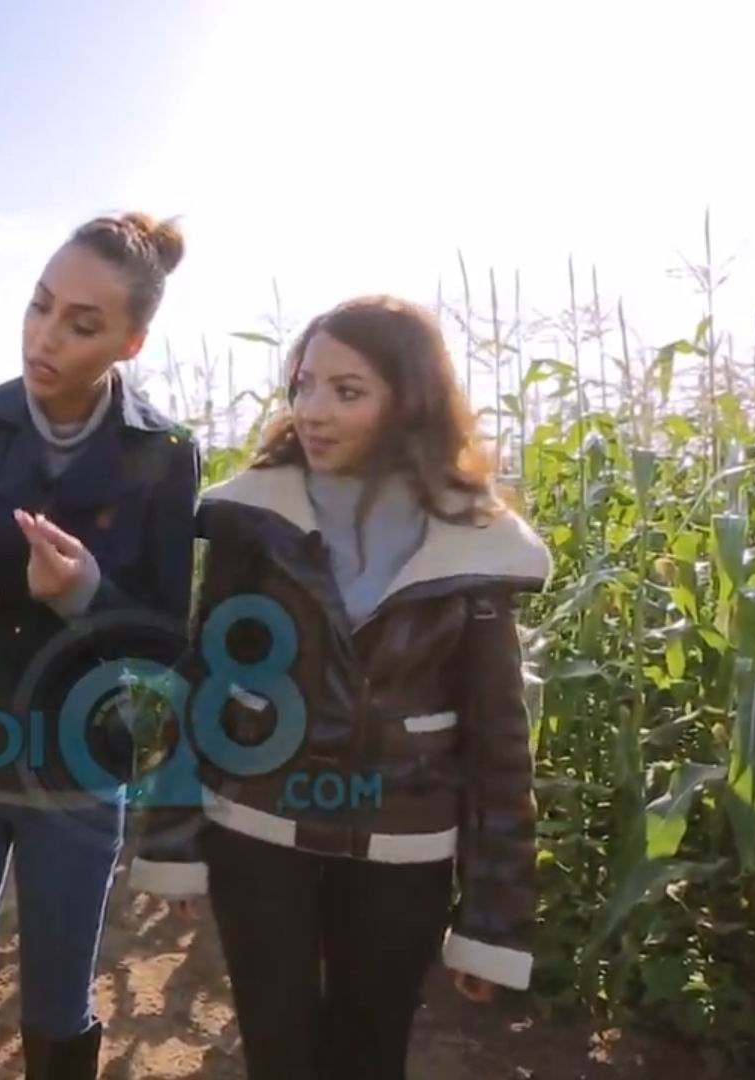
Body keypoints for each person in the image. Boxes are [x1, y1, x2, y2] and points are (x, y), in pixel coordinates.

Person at [129, 295, 551, 1079]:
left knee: (370, 1053)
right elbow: (205, 679)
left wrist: (493, 920)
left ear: (409, 401)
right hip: (257, 828)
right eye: (304, 385)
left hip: (404, 845)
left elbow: (499, 742)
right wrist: (173, 838)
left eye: (347, 391)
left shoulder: (478, 544)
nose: (313, 411)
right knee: (279, 1053)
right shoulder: (253, 518)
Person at [0, 212, 202, 1079]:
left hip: (79, 772)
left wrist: (87, 595)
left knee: (59, 1005)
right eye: (39, 305)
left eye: (81, 324)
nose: (45, 336)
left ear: (130, 343)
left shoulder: (165, 453)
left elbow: (161, 647)